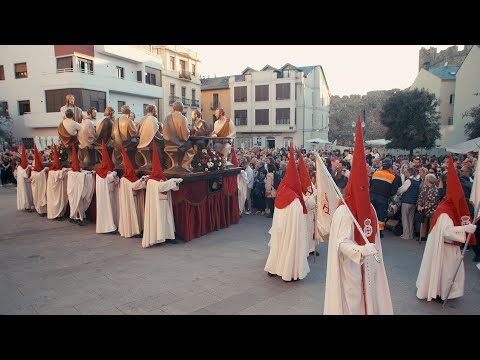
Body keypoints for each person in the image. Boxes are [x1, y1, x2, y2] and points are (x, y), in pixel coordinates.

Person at [324, 118, 393, 315]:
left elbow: (373, 234)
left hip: (369, 265)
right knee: (352, 303)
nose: (365, 190)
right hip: (350, 268)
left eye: (367, 186)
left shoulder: (370, 207)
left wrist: (372, 249)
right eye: (361, 187)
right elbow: (341, 244)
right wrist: (360, 250)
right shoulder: (344, 211)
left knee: (368, 300)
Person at [416, 155, 477, 303]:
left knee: (449, 273)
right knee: (444, 273)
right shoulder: (445, 210)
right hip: (444, 249)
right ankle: (438, 292)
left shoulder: (450, 208)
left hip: (449, 249)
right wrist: (465, 229)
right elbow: (446, 232)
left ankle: (445, 293)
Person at [264, 146, 310, 282]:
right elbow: (298, 220)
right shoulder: (294, 199)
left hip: (279, 229)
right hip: (290, 232)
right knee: (289, 248)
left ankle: (274, 268)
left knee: (278, 247)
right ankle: (289, 272)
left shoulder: (281, 192)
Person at [142, 142, 183, 248]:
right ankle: (158, 238)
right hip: (157, 204)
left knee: (167, 220)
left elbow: (168, 186)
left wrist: (174, 183)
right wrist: (174, 180)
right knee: (159, 221)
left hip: (164, 202)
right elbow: (161, 187)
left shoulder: (162, 179)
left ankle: (168, 236)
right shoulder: (151, 181)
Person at [118, 147, 148, 238]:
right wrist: (141, 180)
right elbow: (133, 186)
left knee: (137, 214)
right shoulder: (124, 179)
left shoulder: (133, 177)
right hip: (129, 200)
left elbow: (137, 185)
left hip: (135, 198)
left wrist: (143, 181)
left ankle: (138, 229)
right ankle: (132, 231)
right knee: (131, 215)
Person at [370, 158, 399, 237]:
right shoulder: (392, 177)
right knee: (381, 215)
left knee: (372, 213)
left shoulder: (376, 173)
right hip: (383, 198)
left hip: (372, 196)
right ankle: (379, 232)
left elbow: (370, 184)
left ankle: (370, 229)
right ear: (390, 168)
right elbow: (394, 191)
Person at [162, 102, 195, 172]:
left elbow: (163, 131)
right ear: (182, 109)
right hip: (179, 144)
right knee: (191, 150)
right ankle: (185, 166)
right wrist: (188, 133)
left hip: (168, 144)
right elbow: (185, 134)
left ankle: (173, 166)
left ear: (173, 108)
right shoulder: (183, 118)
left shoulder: (167, 117)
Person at [66, 145, 94, 226]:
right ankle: (76, 218)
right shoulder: (71, 173)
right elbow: (80, 175)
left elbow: (82, 172)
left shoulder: (77, 172)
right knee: (75, 205)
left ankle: (79, 217)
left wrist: (89, 173)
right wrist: (88, 173)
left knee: (79, 205)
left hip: (78, 191)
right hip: (74, 192)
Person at [95, 141, 119, 234]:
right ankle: (109, 227)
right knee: (108, 210)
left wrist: (113, 174)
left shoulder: (103, 173)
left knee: (111, 210)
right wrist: (114, 173)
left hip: (110, 194)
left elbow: (115, 180)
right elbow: (111, 177)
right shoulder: (101, 173)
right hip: (106, 195)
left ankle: (112, 225)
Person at [298, 148, 318, 256]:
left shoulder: (311, 177)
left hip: (312, 209)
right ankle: (304, 248)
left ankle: (311, 248)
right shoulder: (298, 179)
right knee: (304, 230)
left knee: (311, 229)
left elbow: (313, 189)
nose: (308, 166)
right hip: (304, 209)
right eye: (306, 165)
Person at [396, 168, 421, 240]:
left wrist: (397, 192)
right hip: (413, 202)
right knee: (411, 219)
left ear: (410, 173)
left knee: (405, 219)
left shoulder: (408, 181)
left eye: (406, 173)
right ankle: (411, 234)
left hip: (406, 201)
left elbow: (401, 190)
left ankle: (406, 235)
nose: (405, 174)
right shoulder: (417, 182)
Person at [46, 144, 69, 220]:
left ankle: (55, 214)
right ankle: (58, 214)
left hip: (53, 191)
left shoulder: (50, 171)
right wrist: (67, 170)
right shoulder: (55, 172)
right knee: (58, 201)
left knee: (54, 201)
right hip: (56, 191)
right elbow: (61, 174)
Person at [417, 173, 440, 242]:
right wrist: (419, 205)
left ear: (427, 180)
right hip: (423, 209)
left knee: (431, 225)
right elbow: (420, 197)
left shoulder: (435, 190)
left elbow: (433, 202)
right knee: (423, 223)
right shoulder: (425, 188)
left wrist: (424, 207)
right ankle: (422, 236)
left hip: (432, 210)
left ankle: (431, 238)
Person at [30, 144, 48, 216]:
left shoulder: (37, 172)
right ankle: (40, 211)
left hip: (42, 187)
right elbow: (37, 176)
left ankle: (43, 210)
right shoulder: (34, 173)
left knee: (43, 198)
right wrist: (44, 170)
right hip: (37, 188)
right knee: (38, 198)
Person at [16, 145, 34, 212]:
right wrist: (27, 168)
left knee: (29, 193)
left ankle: (29, 205)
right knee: (25, 194)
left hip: (26, 181)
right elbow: (23, 173)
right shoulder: (19, 167)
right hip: (22, 183)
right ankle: (27, 206)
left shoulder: (21, 166)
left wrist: (28, 168)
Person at [232, 149, 248, 216]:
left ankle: (240, 211)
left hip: (240, 185)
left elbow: (245, 178)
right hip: (237, 185)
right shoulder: (239, 168)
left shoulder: (242, 170)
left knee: (241, 199)